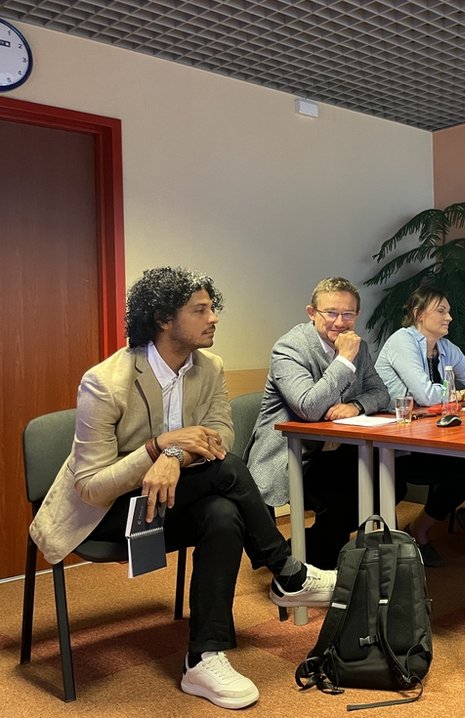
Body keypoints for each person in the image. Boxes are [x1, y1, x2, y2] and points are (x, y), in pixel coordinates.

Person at [28, 267, 336, 710]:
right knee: (227, 473)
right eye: (201, 310)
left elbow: (220, 438)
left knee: (222, 514)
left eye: (213, 308)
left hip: (172, 496)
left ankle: (203, 657)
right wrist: (157, 448)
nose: (215, 318)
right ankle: (286, 572)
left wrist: (172, 457)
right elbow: (92, 487)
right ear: (163, 319)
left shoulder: (208, 367)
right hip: (108, 511)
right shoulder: (105, 381)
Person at [246, 277, 390, 569]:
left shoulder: (359, 347)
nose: (340, 322)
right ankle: (309, 562)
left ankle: (310, 551)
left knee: (389, 480)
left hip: (338, 451)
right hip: (292, 456)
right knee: (345, 493)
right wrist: (344, 360)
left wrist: (356, 405)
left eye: (348, 314)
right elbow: (310, 407)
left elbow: (381, 393)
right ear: (312, 313)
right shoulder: (289, 348)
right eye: (331, 313)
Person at [375, 284, 465, 565]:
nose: (449, 317)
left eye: (449, 311)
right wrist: (463, 395)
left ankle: (419, 530)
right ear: (418, 313)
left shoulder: (445, 347)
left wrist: (458, 396)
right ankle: (393, 547)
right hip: (393, 444)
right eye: (441, 310)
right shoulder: (402, 342)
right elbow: (425, 396)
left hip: (430, 434)